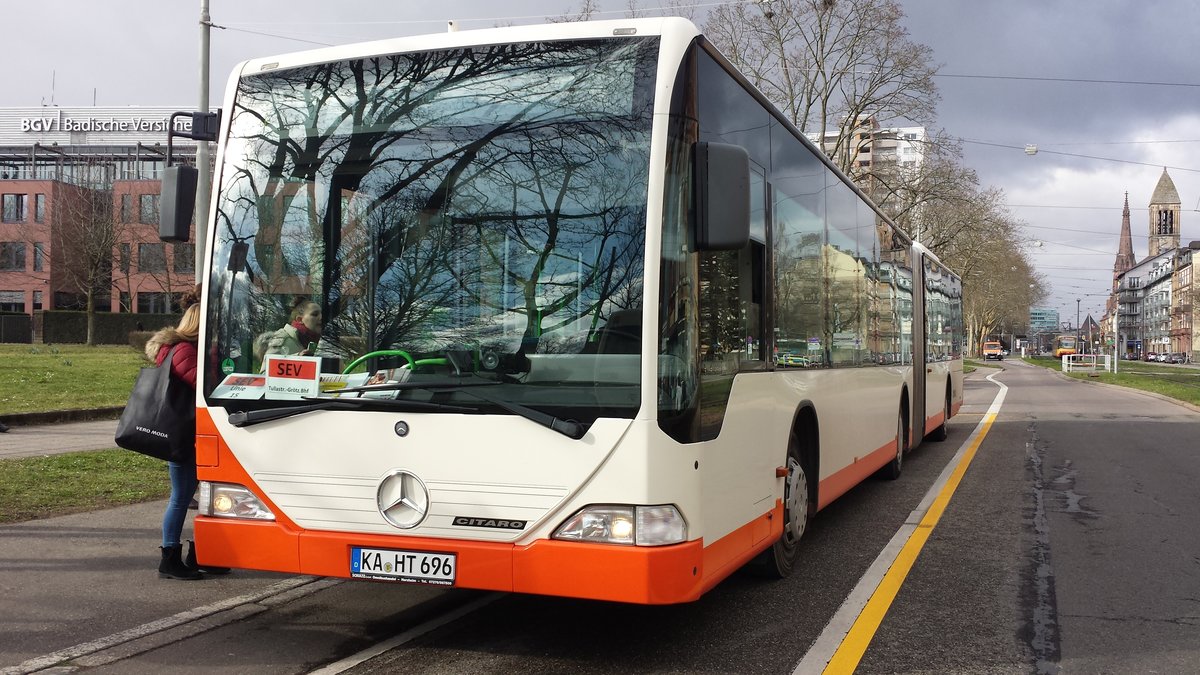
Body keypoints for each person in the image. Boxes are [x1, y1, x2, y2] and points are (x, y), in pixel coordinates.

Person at [144, 290, 229, 580]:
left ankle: (200, 553)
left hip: (193, 433)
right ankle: (169, 558)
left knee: (205, 494)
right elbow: (205, 384)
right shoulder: (184, 351)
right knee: (181, 497)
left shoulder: (180, 349)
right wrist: (216, 356)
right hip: (183, 436)